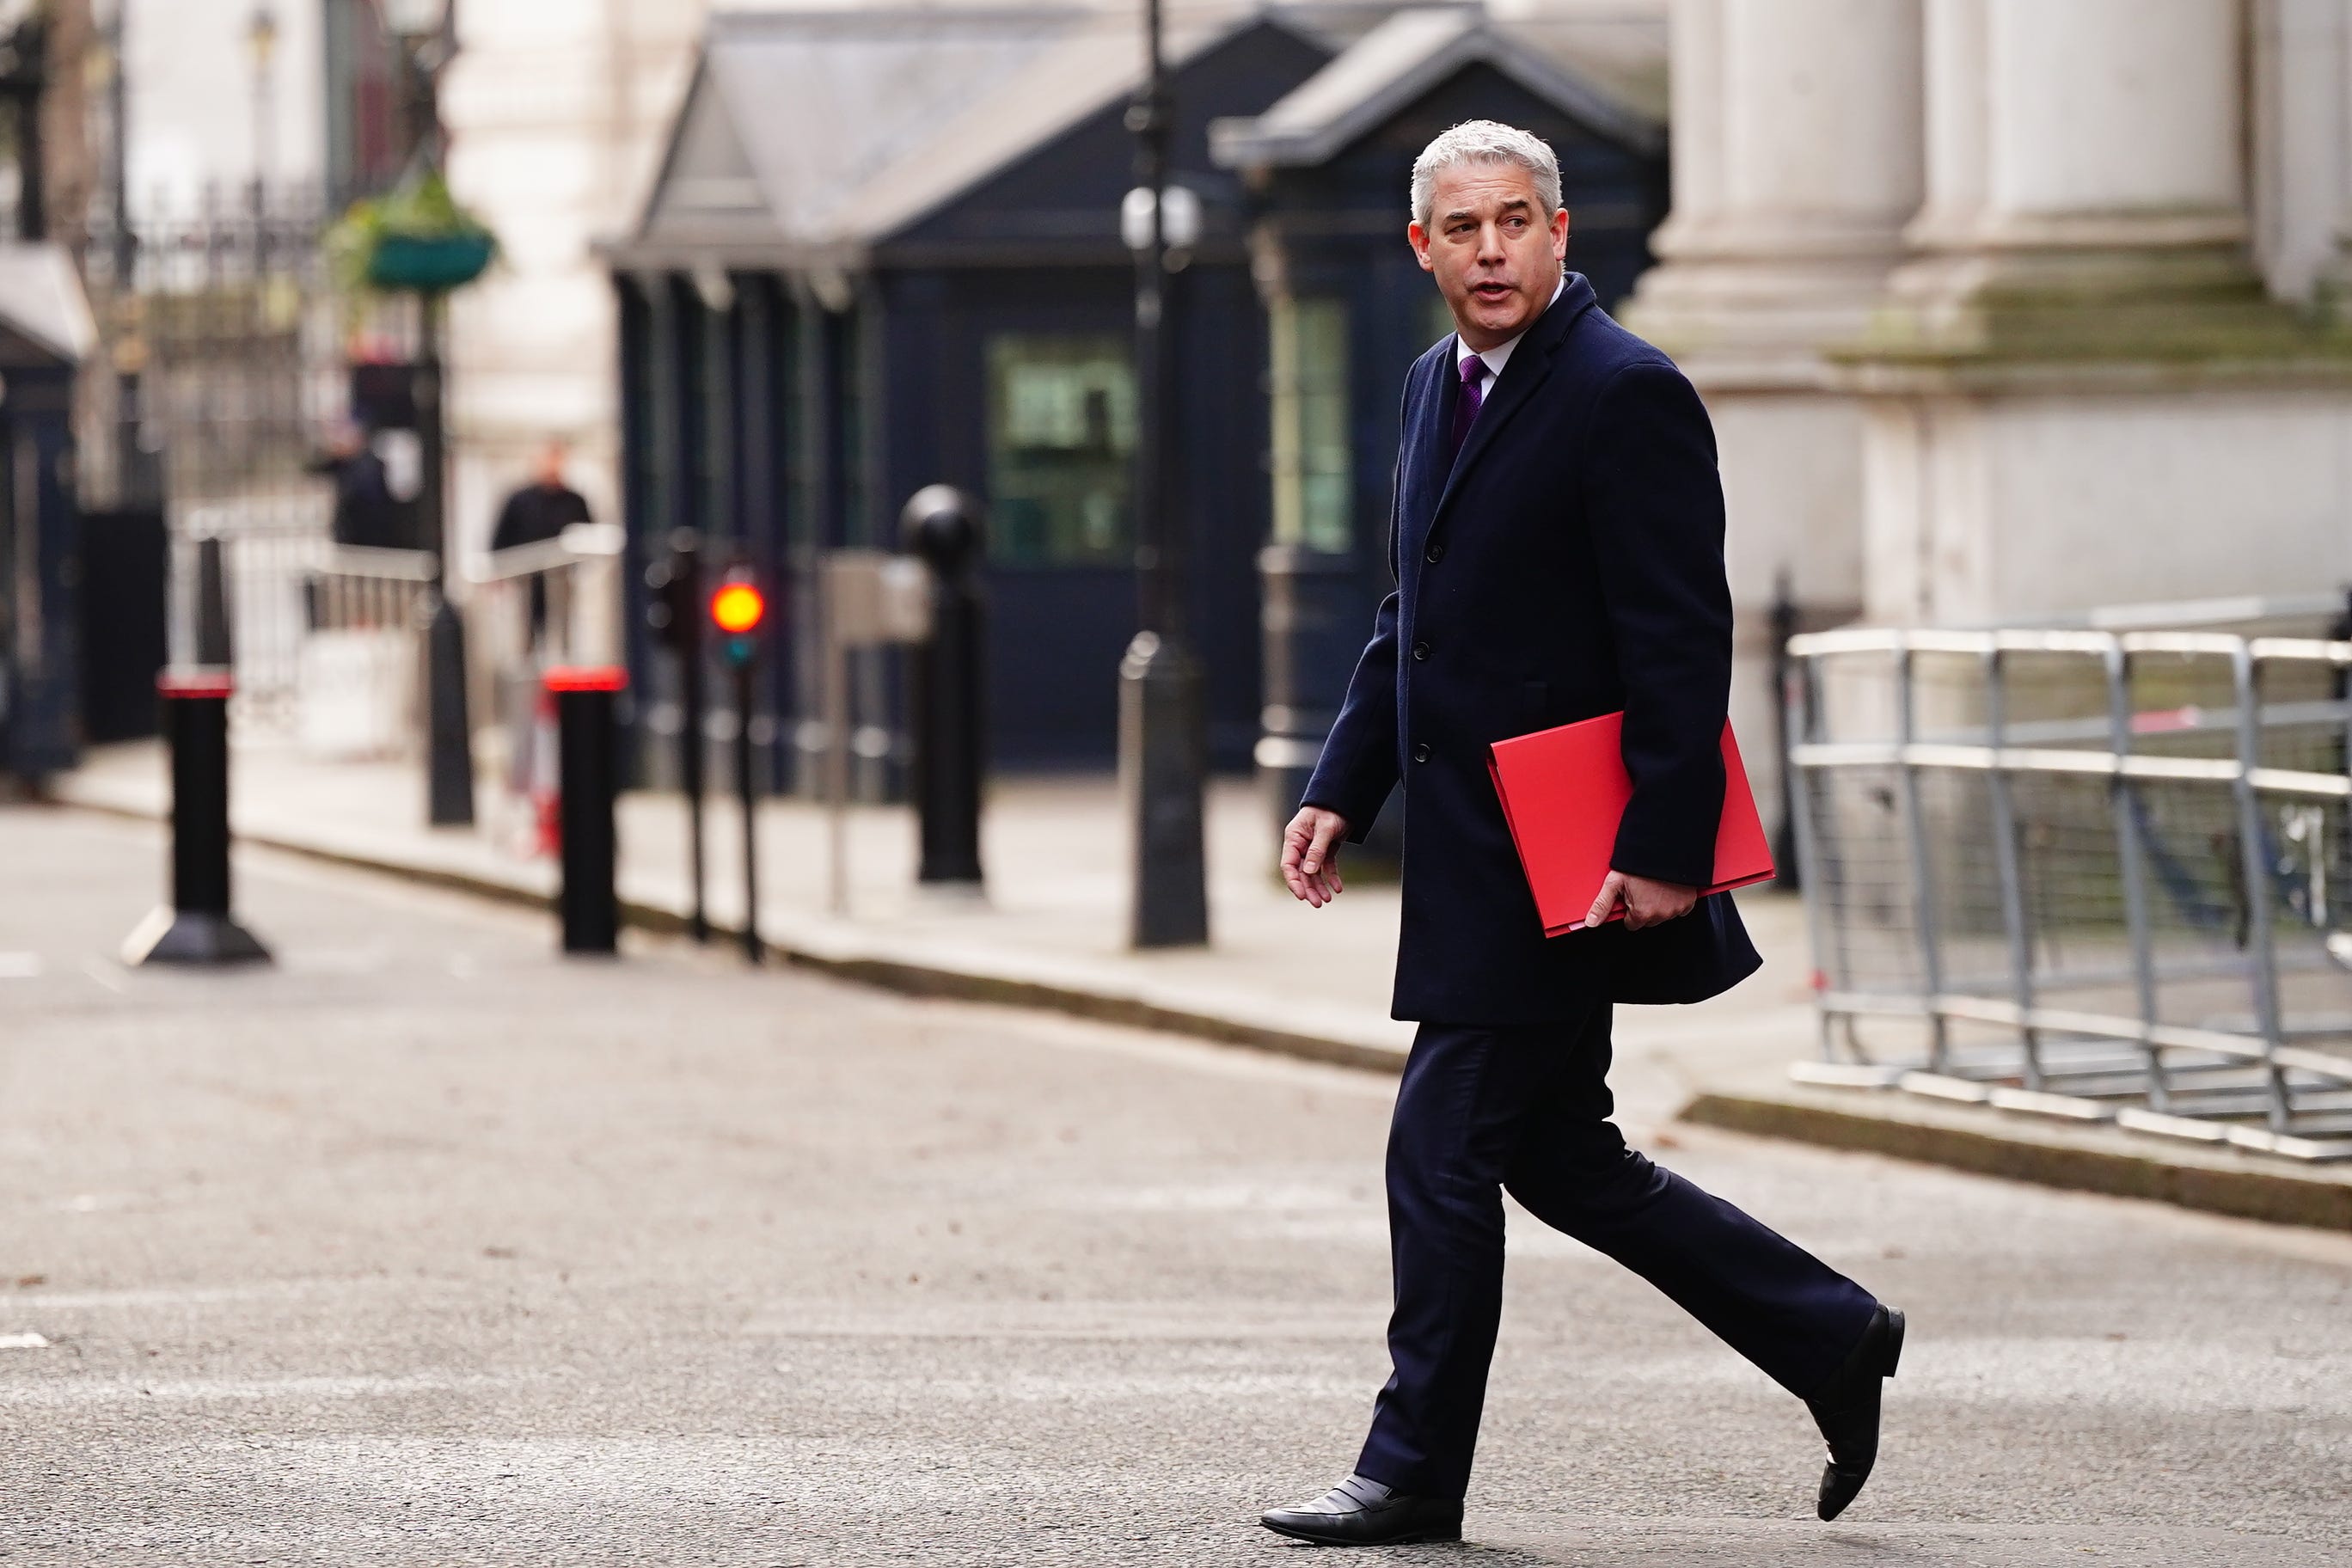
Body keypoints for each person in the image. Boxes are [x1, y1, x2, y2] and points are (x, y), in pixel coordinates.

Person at [1262, 121, 1902, 1548]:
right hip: (1481, 852)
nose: (1490, 251)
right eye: (1462, 227)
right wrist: (1336, 787)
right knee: (1557, 1155)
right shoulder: (1439, 383)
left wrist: (1669, 840)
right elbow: (1407, 622)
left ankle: (1411, 1461)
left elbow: (1682, 640)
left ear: (1560, 234)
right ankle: (1833, 1331)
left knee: (1438, 1143)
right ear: (1418, 245)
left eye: (1515, 222)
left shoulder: (1627, 392)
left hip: (1575, 857)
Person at [489, 439, 594, 643]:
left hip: (562, 577)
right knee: (524, 632)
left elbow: (589, 534)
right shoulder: (520, 499)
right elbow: (501, 535)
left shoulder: (574, 500)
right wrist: (497, 571)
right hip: (524, 578)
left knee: (561, 630)